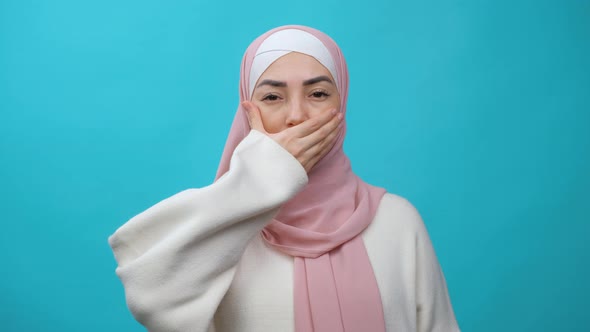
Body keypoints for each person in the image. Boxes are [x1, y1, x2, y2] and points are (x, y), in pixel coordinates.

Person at [108, 25, 461, 332]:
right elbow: (150, 299)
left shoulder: (397, 220)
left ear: (343, 103)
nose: (296, 115)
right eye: (273, 97)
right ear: (248, 111)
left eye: (318, 93)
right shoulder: (222, 228)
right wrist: (261, 177)